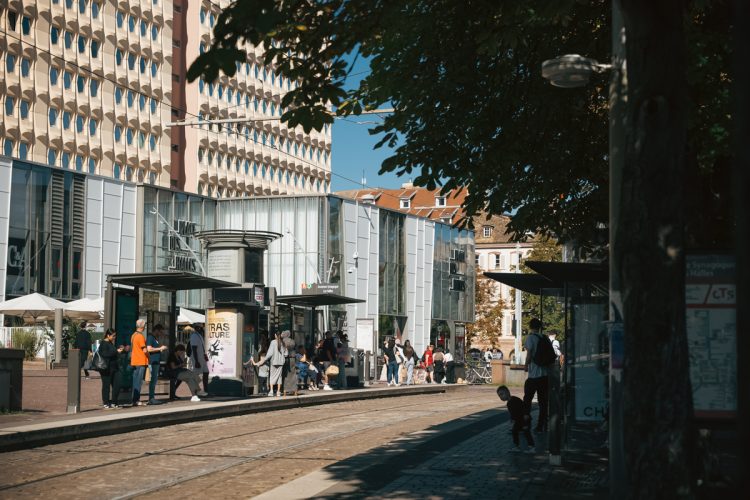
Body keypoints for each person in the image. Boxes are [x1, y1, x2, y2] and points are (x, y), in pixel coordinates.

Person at [523, 318, 549, 433]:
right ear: (539, 327)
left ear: (530, 326)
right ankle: (541, 425)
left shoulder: (530, 338)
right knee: (543, 402)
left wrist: (525, 365)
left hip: (533, 376)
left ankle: (526, 423)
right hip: (544, 375)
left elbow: (529, 354)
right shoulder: (544, 338)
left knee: (527, 400)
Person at [497, 385, 534, 453]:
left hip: (524, 419)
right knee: (514, 431)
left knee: (526, 432)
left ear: (508, 392)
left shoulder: (515, 400)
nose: (501, 397)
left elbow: (524, 408)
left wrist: (526, 417)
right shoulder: (509, 403)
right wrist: (512, 419)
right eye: (499, 395)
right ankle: (516, 446)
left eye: (502, 394)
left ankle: (532, 447)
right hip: (518, 421)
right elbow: (513, 413)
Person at [98, 328, 124, 409]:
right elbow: (105, 354)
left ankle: (114, 402)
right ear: (108, 335)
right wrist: (116, 351)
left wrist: (119, 351)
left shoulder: (110, 343)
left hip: (114, 368)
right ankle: (106, 402)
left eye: (115, 336)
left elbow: (113, 353)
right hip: (106, 369)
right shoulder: (103, 343)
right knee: (106, 386)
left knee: (117, 384)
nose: (114, 337)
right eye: (113, 336)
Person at [146, 324, 168, 405]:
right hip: (152, 362)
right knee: (152, 380)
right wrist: (160, 348)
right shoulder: (150, 337)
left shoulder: (155, 338)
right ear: (157, 330)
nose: (161, 334)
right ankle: (151, 398)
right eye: (160, 332)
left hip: (156, 362)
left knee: (154, 380)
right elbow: (149, 349)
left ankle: (152, 397)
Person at [130, 319, 149, 406]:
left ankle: (134, 399)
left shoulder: (133, 335)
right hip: (141, 361)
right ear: (142, 326)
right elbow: (144, 350)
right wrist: (149, 357)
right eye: (144, 325)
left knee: (135, 381)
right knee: (138, 381)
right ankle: (136, 400)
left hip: (135, 360)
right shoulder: (140, 336)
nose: (145, 326)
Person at [187, 325, 210, 394]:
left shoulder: (199, 336)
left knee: (206, 372)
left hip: (202, 358)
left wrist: (204, 355)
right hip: (197, 359)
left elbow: (202, 347)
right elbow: (194, 349)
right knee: (196, 376)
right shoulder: (194, 336)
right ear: (198, 329)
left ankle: (206, 390)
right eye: (201, 328)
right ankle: (195, 392)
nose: (203, 329)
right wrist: (196, 361)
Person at [267, 330, 287, 396]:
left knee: (272, 376)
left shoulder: (273, 342)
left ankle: (271, 391)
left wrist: (264, 359)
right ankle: (278, 392)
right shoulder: (283, 343)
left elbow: (270, 353)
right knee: (279, 377)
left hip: (274, 362)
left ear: (275, 335)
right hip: (281, 362)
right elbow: (286, 354)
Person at [281, 331, 298, 396]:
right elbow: (296, 349)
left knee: (285, 374)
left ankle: (285, 390)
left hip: (285, 358)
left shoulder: (283, 341)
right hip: (293, 358)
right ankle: (294, 390)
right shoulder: (292, 341)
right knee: (293, 374)